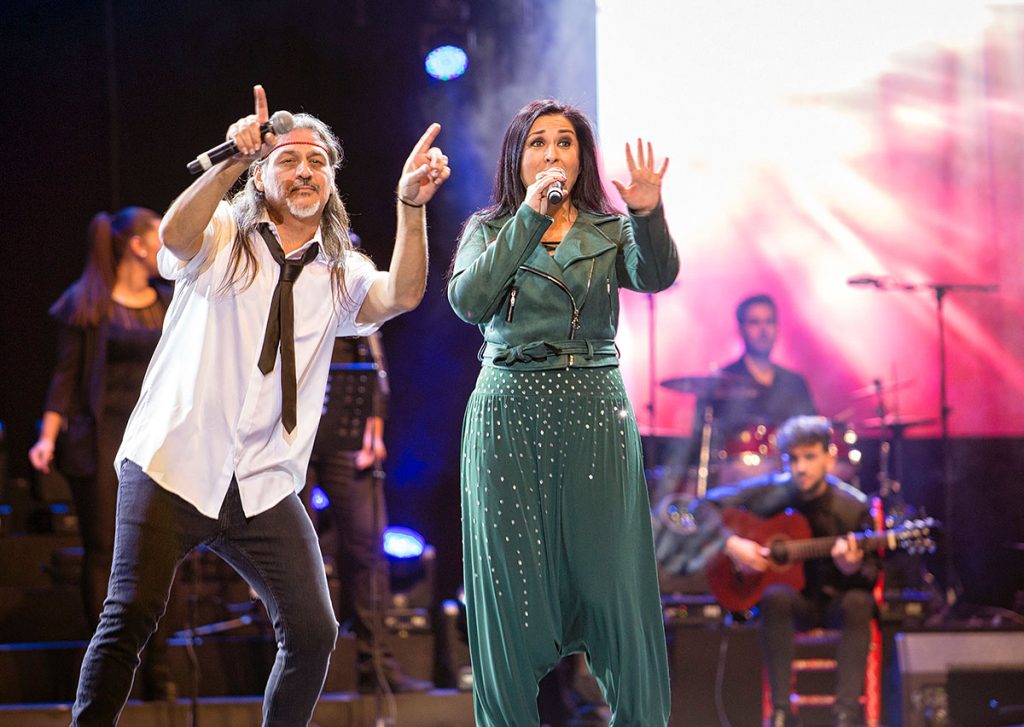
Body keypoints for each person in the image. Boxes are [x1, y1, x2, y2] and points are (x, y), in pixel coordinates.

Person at [69, 85, 449, 726]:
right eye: (287, 159)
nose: (305, 170)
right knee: (129, 615)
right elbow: (175, 236)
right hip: (173, 463)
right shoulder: (223, 233)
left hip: (264, 483)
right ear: (261, 175)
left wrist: (410, 206)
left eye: (318, 161)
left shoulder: (340, 269)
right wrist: (230, 161)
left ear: (331, 180)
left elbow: (401, 296)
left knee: (313, 631)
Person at [447, 99, 678, 726]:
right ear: (517, 158)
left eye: (565, 143)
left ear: (582, 158)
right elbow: (468, 301)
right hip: (509, 410)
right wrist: (529, 216)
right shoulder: (489, 228)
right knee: (511, 588)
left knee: (611, 585)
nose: (553, 153)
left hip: (593, 407)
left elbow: (655, 276)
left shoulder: (609, 229)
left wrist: (647, 213)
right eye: (539, 143)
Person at [28, 206, 174, 701]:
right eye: (159, 236)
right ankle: (111, 664)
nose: (166, 245)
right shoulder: (88, 302)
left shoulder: (167, 303)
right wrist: (47, 438)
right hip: (102, 439)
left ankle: (158, 663)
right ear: (137, 245)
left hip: (156, 439)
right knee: (106, 551)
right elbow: (64, 378)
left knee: (160, 552)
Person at [687, 415, 879, 727]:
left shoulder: (853, 507)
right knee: (775, 596)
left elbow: (871, 577)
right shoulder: (771, 491)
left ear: (829, 458)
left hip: (836, 604)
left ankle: (845, 715)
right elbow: (701, 507)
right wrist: (732, 544)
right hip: (792, 607)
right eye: (793, 459)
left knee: (859, 602)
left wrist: (852, 567)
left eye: (810, 457)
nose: (800, 468)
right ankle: (781, 713)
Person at [307, 331, 431, 693]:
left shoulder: (348, 291)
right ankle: (301, 678)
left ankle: (375, 665)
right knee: (296, 553)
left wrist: (374, 423)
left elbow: (372, 351)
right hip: (289, 425)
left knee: (368, 545)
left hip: (347, 419)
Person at [688, 293, 817, 486]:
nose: (763, 330)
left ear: (777, 328)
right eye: (755, 322)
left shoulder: (795, 383)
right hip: (734, 481)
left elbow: (811, 434)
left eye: (769, 322)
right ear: (741, 329)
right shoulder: (721, 381)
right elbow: (701, 441)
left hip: (790, 479)